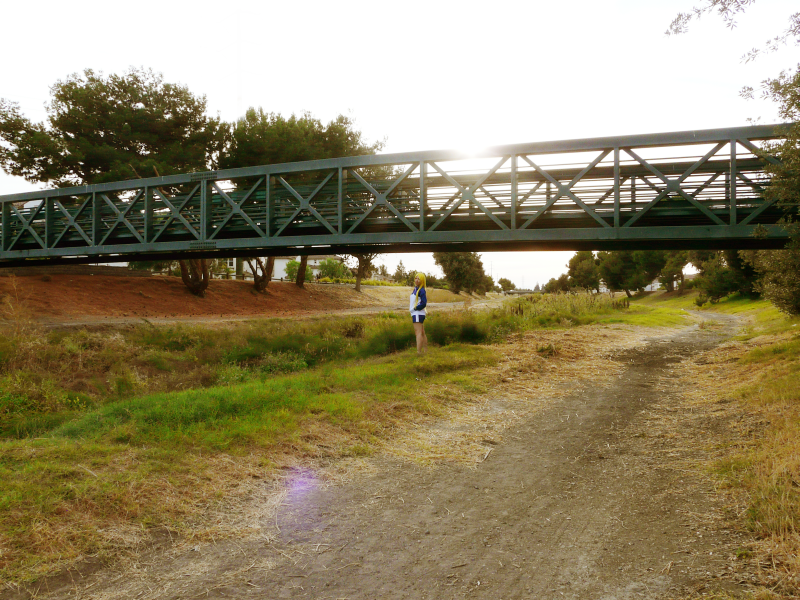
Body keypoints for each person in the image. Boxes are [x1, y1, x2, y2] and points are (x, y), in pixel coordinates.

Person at [410, 273, 428, 355]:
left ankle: (419, 352)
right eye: (416, 278)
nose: (417, 280)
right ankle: (425, 351)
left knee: (418, 332)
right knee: (422, 332)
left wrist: (415, 308)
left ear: (422, 281)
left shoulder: (421, 290)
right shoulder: (416, 289)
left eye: (419, 279)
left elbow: (424, 303)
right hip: (417, 313)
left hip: (417, 313)